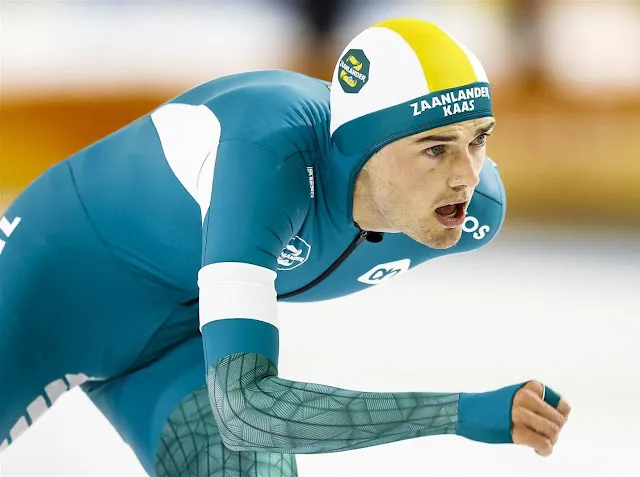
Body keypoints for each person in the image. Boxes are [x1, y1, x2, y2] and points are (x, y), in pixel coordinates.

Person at [0, 18, 570, 477]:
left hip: (181, 340)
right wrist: (460, 413)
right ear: (363, 146)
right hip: (51, 282)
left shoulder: (474, 213)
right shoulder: (270, 160)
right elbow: (246, 410)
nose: (466, 177)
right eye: (435, 149)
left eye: (479, 139)